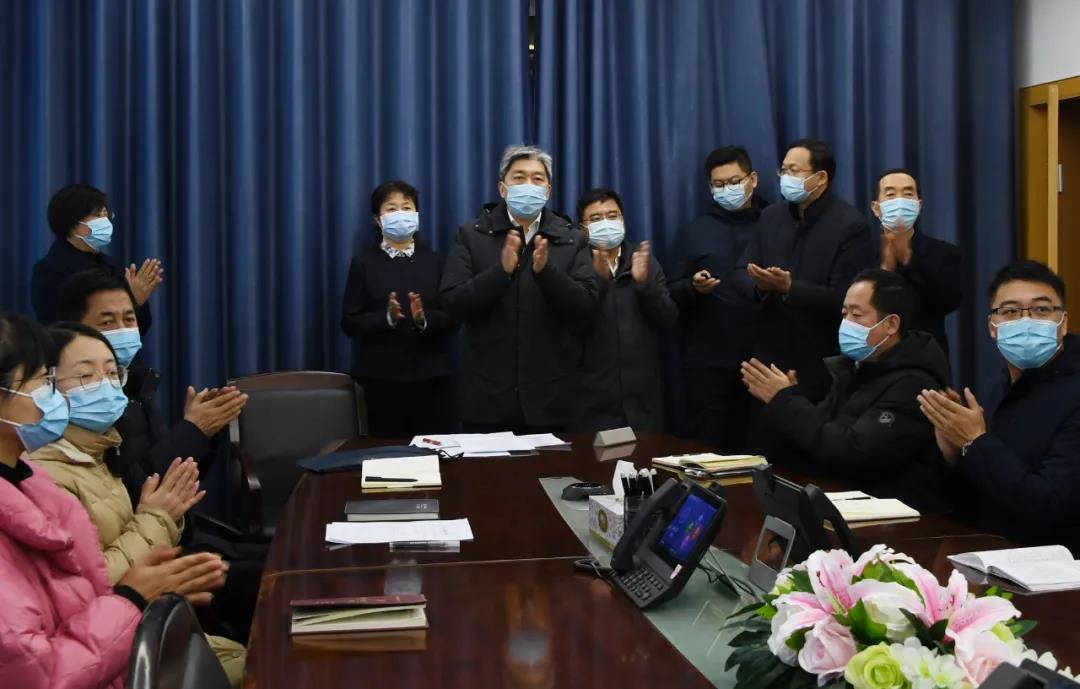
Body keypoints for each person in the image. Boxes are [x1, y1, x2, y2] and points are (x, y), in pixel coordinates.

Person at [0, 312, 228, 689]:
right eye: (42, 381)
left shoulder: (32, 483)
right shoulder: (46, 474)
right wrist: (132, 598)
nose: (53, 396)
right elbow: (39, 675)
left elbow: (84, 590)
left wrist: (146, 583)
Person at [57, 269, 260, 643]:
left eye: (129, 319)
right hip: (155, 569)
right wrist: (192, 431)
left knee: (293, 560)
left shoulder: (129, 391)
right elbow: (142, 489)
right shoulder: (82, 420)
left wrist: (203, 432)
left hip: (178, 537)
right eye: (107, 321)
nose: (123, 330)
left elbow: (175, 482)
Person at [741, 269, 950, 511]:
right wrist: (782, 402)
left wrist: (786, 401)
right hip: (843, 500)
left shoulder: (914, 384)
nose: (846, 323)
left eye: (856, 314)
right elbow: (817, 438)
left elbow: (854, 453)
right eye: (844, 314)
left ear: (891, 324)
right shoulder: (854, 368)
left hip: (893, 516)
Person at [918, 261, 1080, 548]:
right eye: (1010, 311)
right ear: (992, 326)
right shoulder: (997, 387)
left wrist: (975, 441)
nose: (1026, 321)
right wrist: (954, 454)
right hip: (988, 555)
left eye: (1041, 310)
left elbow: (1053, 506)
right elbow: (977, 499)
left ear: (1063, 323)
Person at [441, 145, 599, 432]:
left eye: (537, 179)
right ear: (502, 188)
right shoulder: (471, 235)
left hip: (552, 403)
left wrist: (546, 273)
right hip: (487, 401)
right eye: (519, 177)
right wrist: (500, 272)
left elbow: (585, 307)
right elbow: (453, 303)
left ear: (548, 191)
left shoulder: (571, 238)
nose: (529, 185)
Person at [735, 139, 874, 449]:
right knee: (761, 455)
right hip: (768, 361)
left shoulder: (850, 225)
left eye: (794, 170)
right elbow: (740, 271)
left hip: (817, 366)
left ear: (820, 178)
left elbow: (846, 298)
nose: (786, 177)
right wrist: (758, 286)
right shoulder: (771, 216)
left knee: (808, 454)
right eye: (783, 170)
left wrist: (790, 288)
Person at [668, 145, 768, 451]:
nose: (728, 190)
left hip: (766, 361)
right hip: (710, 366)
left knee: (764, 449)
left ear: (753, 179)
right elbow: (669, 291)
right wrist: (693, 287)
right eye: (719, 184)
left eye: (734, 181)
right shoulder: (694, 231)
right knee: (708, 449)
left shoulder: (776, 223)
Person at [341, 181, 456, 436]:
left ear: (417, 214)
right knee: (386, 452)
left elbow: (453, 317)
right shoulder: (363, 262)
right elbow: (349, 322)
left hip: (431, 378)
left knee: (432, 451)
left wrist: (423, 319)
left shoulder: (436, 260)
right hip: (380, 379)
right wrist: (387, 318)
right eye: (391, 208)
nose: (400, 214)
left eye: (406, 207)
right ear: (378, 220)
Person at [574, 188, 677, 432]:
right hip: (589, 403)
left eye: (612, 216)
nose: (606, 223)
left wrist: (644, 286)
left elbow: (667, 318)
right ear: (583, 228)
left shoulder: (643, 261)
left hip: (641, 404)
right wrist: (598, 282)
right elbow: (568, 326)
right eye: (596, 218)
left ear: (623, 220)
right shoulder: (574, 265)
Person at [31, 184, 163, 333]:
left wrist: (137, 301)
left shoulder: (114, 266)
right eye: (98, 215)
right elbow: (60, 328)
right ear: (72, 225)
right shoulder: (50, 270)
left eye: (106, 215)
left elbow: (141, 328)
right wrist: (130, 301)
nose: (105, 222)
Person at [871, 168, 963, 359]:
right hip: (874, 356)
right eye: (890, 194)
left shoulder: (943, 253)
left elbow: (949, 301)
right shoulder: (860, 252)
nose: (899, 201)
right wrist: (885, 271)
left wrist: (908, 259)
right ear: (876, 208)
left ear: (919, 206)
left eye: (908, 194)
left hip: (925, 359)